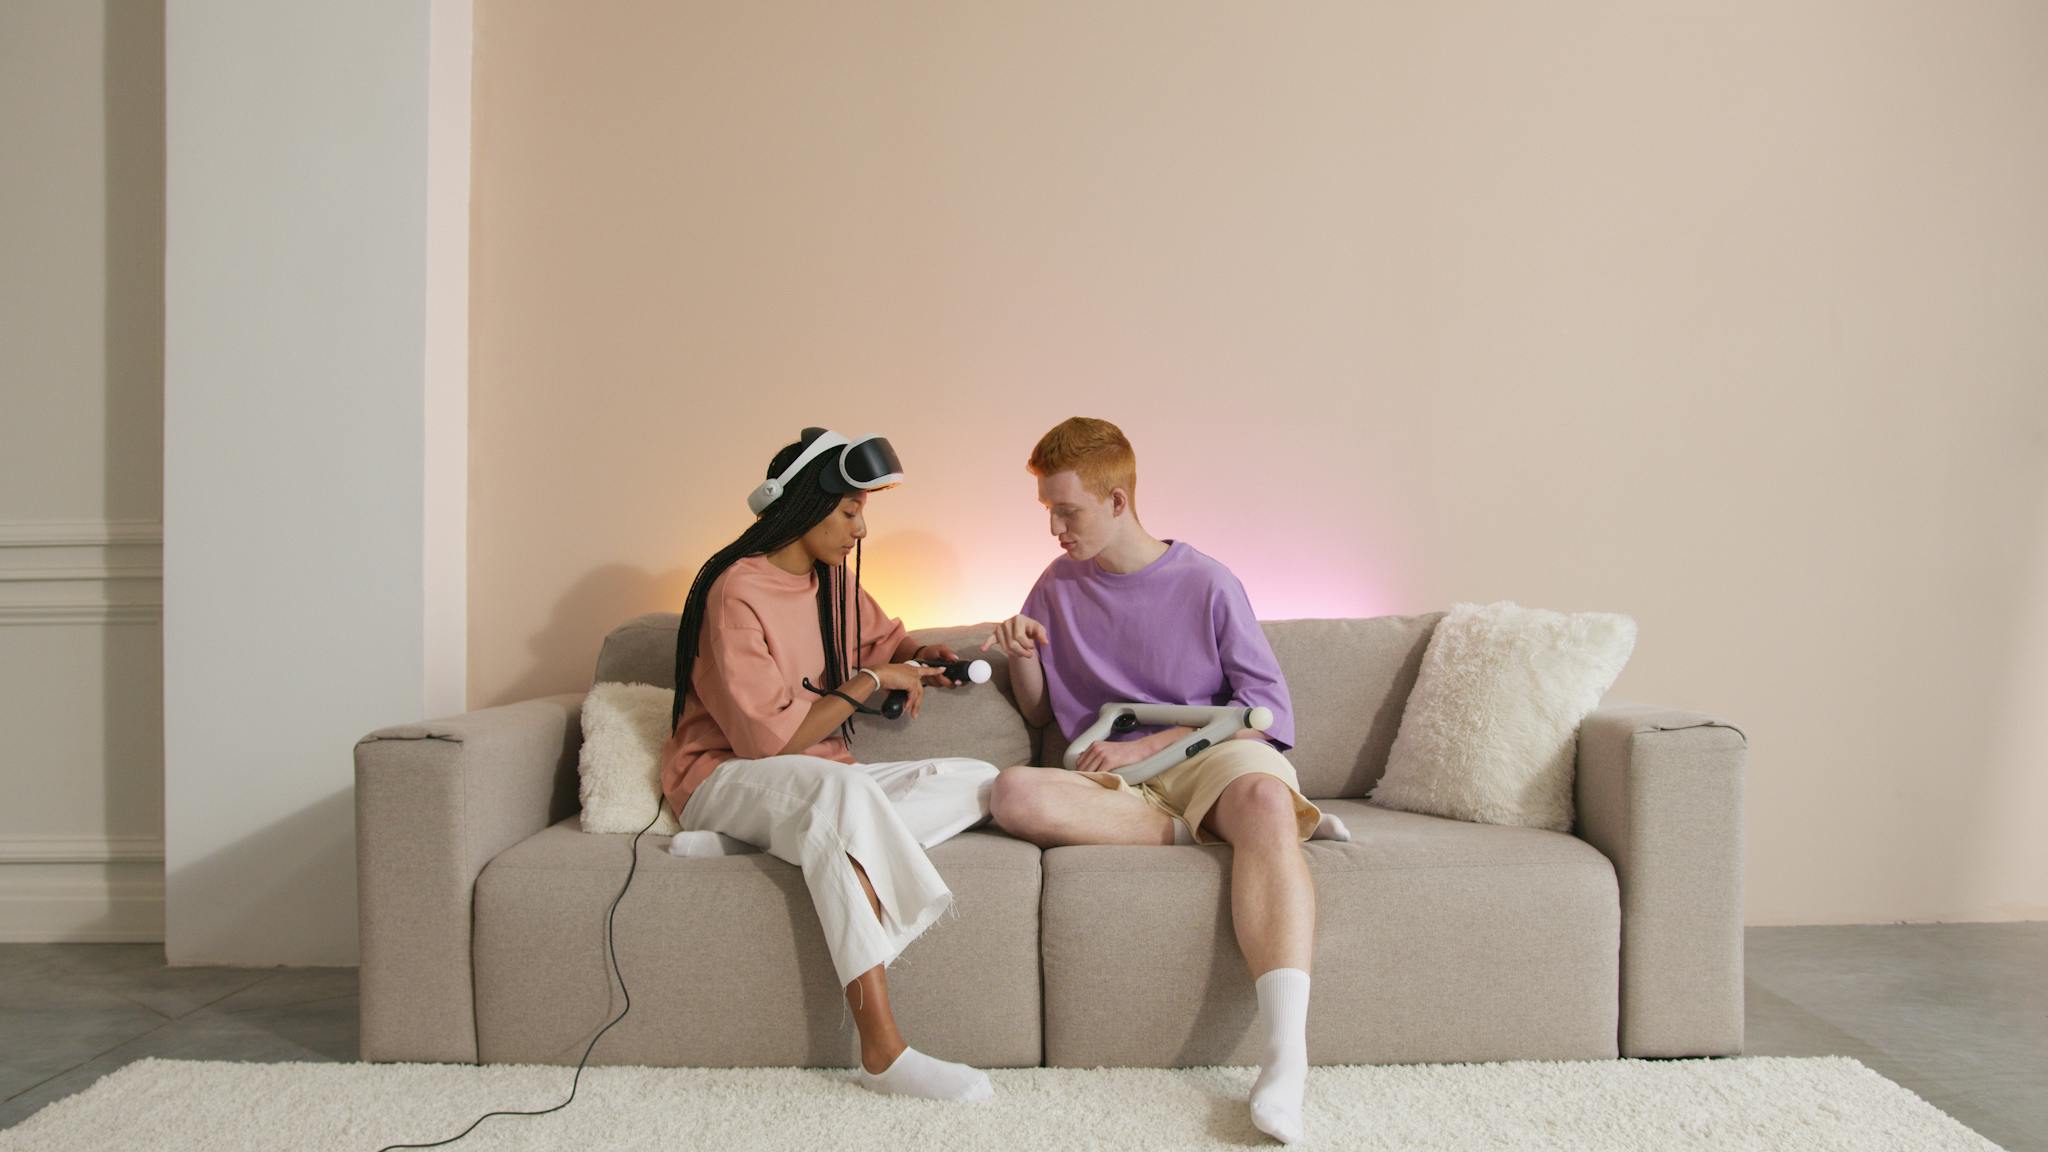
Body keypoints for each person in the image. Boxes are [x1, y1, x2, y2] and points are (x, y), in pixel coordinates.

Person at [983, 416, 1348, 1144]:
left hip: (1205, 754)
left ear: (1118, 502)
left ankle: (1284, 1058)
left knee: (1264, 799)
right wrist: (1020, 649)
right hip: (1120, 784)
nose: (1055, 528)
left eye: (1068, 511)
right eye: (1049, 512)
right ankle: (1202, 831)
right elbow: (1039, 711)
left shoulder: (1208, 583)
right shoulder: (1056, 585)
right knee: (1011, 793)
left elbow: (1266, 715)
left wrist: (1156, 741)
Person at [659, 426, 1000, 1102]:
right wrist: (873, 682)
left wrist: (926, 657)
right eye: (849, 511)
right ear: (803, 507)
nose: (861, 528)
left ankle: (766, 845)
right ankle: (883, 1050)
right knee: (835, 796)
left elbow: (888, 641)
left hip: (818, 785)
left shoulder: (835, 585)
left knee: (980, 781)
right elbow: (766, 741)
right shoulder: (736, 592)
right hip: (725, 777)